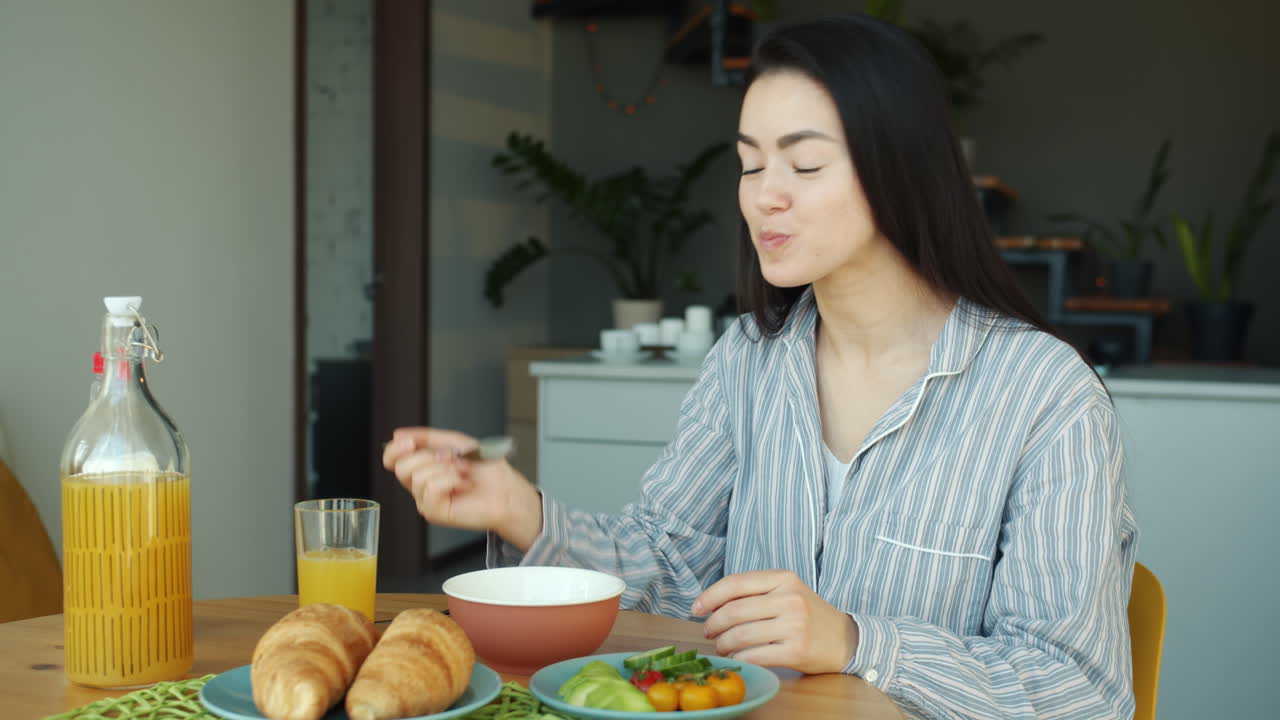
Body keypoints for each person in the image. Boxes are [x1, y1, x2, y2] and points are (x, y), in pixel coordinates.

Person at [383, 15, 1137, 720]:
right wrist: (519, 509)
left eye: (804, 163)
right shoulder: (747, 361)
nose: (764, 196)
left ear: (898, 169)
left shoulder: (1044, 396)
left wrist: (856, 641)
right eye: (750, 165)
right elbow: (669, 567)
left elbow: (1081, 688)